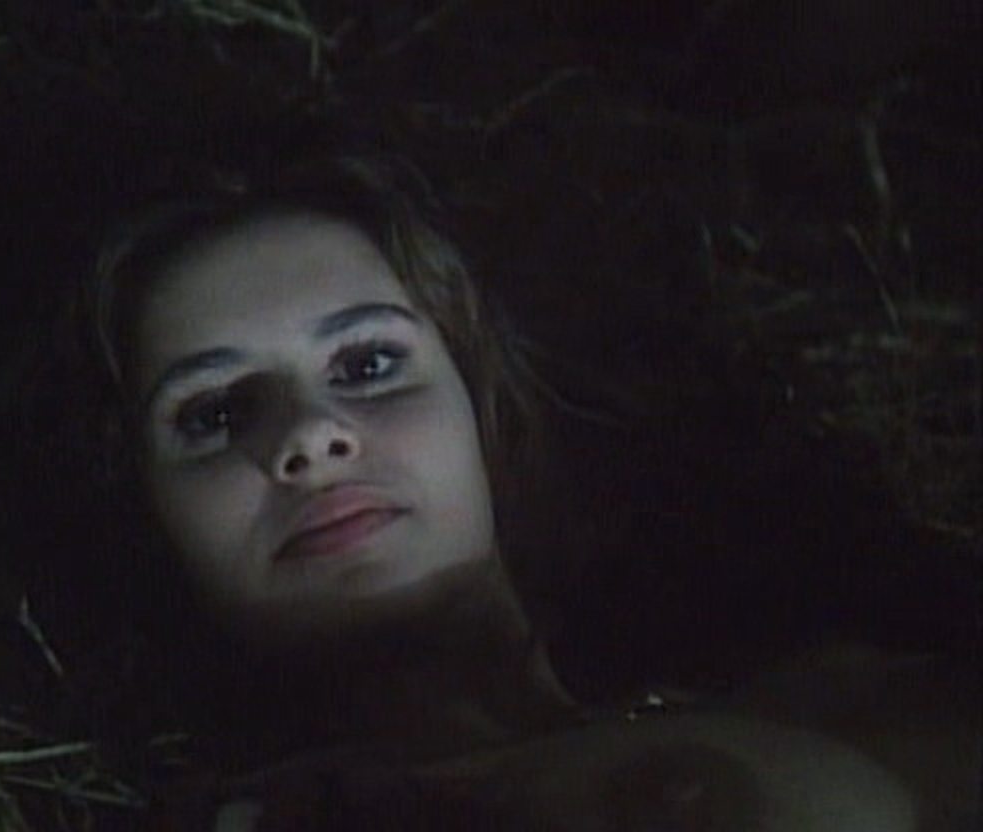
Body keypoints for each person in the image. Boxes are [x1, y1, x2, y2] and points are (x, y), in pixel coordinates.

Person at [67, 152, 974, 830]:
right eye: (216, 413)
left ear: (478, 404)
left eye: (369, 363)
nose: (309, 435)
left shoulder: (823, 672)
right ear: (150, 519)